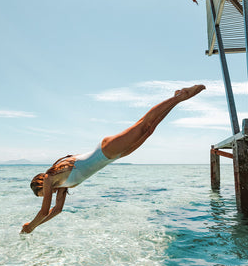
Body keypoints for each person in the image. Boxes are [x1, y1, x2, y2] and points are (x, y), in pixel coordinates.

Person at [21, 84, 206, 233]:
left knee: (142, 125)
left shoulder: (48, 178)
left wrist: (31, 226)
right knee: (149, 130)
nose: (49, 195)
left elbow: (44, 210)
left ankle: (179, 96)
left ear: (39, 183)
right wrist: (37, 226)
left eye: (44, 194)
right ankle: (176, 100)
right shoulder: (61, 186)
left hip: (105, 150)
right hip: (114, 157)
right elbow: (57, 210)